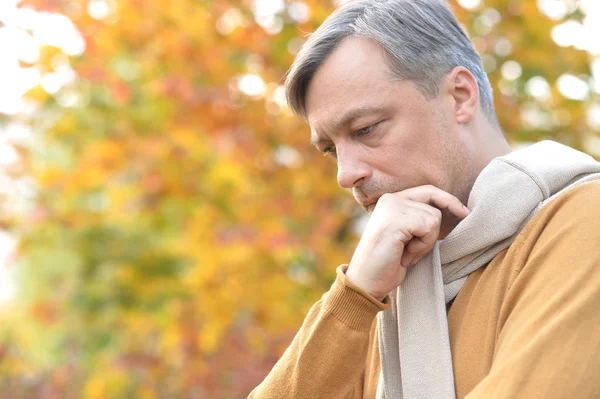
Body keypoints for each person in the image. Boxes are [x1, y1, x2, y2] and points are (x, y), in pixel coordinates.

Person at [249, 0, 600, 398]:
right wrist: (355, 297)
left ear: (460, 96)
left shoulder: (584, 223)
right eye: (330, 149)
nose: (345, 175)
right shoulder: (383, 291)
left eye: (365, 129)